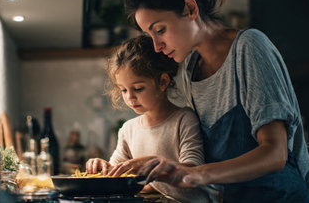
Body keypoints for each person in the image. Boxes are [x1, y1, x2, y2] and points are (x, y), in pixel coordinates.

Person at [124, 0, 309, 202]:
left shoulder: (249, 47)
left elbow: (274, 153)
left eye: (160, 30)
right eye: (151, 36)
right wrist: (162, 165)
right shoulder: (190, 69)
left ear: (190, 9)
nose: (157, 46)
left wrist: (197, 174)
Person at [85, 35, 216, 202]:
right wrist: (101, 167)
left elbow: (193, 171)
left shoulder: (184, 119)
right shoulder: (128, 129)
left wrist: (153, 163)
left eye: (138, 88)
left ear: (162, 81)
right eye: (123, 90)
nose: (130, 97)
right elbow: (115, 174)